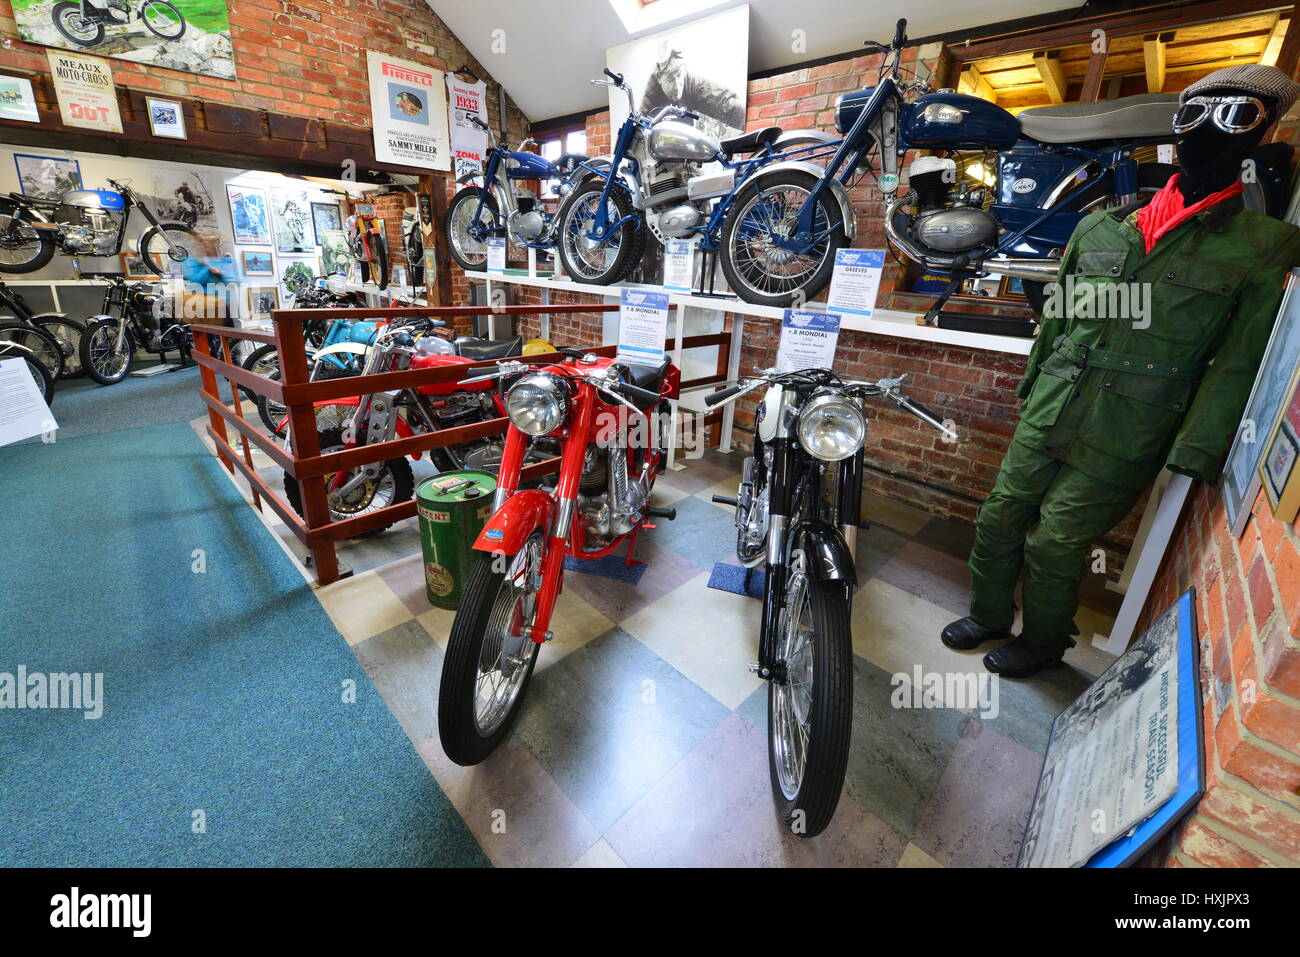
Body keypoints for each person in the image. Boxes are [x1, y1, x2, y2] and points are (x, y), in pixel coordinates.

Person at [941, 64, 1300, 678]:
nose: (1208, 134)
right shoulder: (1100, 228)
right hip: (1055, 399)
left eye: (1237, 118)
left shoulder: (1263, 246)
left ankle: (1045, 642)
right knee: (1000, 515)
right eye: (1193, 118)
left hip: (1131, 422)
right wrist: (1033, 390)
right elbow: (1057, 322)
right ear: (1175, 133)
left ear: (1259, 138)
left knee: (1055, 541)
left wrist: (1197, 449)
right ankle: (990, 612)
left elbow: (1242, 360)